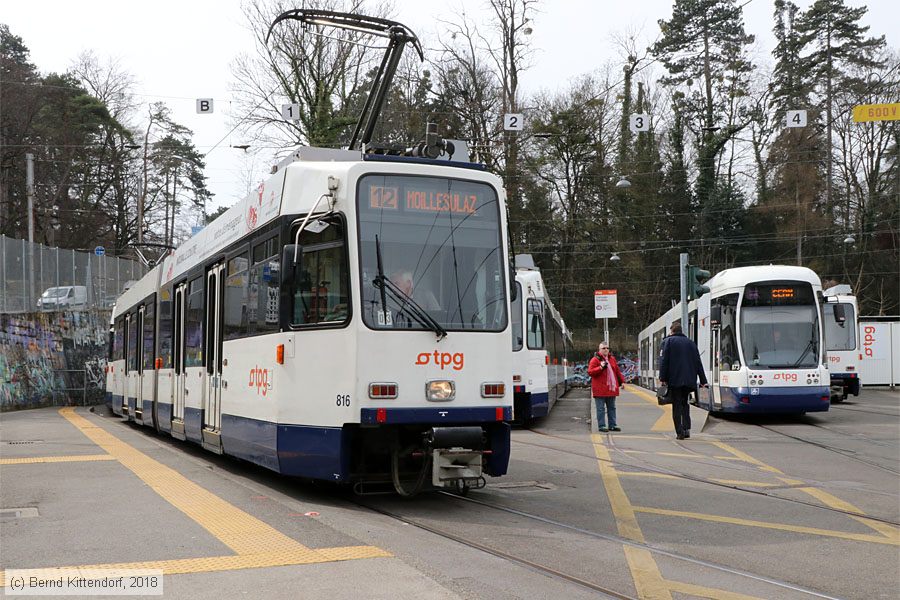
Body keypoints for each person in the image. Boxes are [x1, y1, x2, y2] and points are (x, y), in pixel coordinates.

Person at [658, 322, 708, 440]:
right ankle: (686, 429)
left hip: (674, 380)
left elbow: (664, 361)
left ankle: (679, 432)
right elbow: (698, 362)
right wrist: (703, 380)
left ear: (672, 331)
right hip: (689, 380)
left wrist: (663, 378)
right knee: (685, 403)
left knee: (676, 405)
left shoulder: (668, 342)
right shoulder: (691, 343)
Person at [588, 342, 626, 433]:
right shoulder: (595, 360)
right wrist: (600, 368)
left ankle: (612, 425)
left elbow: (617, 371)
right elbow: (590, 372)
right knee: (600, 408)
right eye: (603, 348)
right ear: (599, 350)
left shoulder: (612, 359)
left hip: (610, 388)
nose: (606, 350)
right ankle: (602, 425)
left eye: (607, 348)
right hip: (600, 389)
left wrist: (622, 381)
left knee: (612, 407)